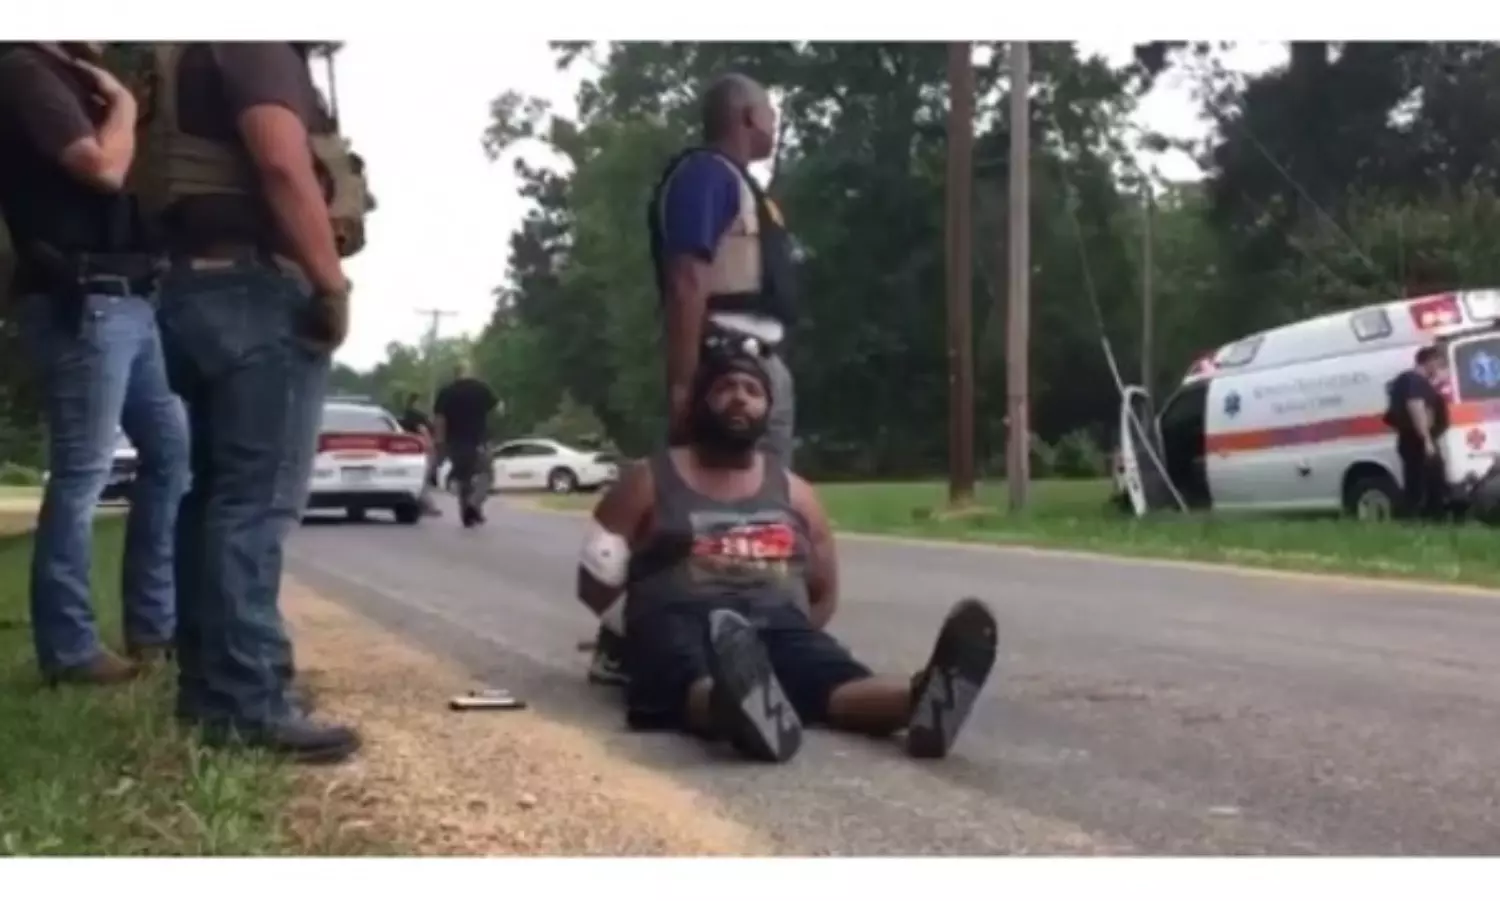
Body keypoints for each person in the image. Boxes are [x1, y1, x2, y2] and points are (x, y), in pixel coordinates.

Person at [574, 338, 999, 763]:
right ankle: (730, 705)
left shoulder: (796, 493)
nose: (740, 397)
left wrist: (792, 631)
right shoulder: (648, 480)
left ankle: (920, 701)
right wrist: (635, 633)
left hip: (776, 622)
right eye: (725, 387)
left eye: (752, 390)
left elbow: (824, 589)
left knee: (828, 673)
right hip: (680, 621)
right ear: (699, 402)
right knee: (681, 669)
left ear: (767, 410)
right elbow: (595, 576)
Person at [140, 42, 371, 763]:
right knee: (256, 503)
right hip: (254, 291)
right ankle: (250, 700)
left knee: (214, 498)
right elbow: (279, 161)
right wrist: (330, 283)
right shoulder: (257, 38)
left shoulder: (195, 48)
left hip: (191, 287)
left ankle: (210, 692)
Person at [586, 73, 802, 688]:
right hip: (722, 360)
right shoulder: (705, 176)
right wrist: (684, 384)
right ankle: (622, 639)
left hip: (761, 361)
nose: (774, 122)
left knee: (759, 511)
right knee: (688, 508)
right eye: (769, 111)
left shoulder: (746, 189)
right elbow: (687, 280)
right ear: (746, 117)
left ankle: (750, 637)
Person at [0, 43, 189, 686]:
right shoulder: (26, 70)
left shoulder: (79, 78)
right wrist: (127, 107)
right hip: (80, 301)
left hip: (130, 298)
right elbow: (102, 168)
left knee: (171, 454)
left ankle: (154, 627)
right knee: (84, 472)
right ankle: (71, 649)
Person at [1386, 345, 1451, 520]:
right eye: (1438, 363)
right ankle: (1425, 517)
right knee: (1426, 481)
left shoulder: (1411, 381)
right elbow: (1416, 407)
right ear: (1429, 361)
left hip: (1413, 438)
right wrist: (1427, 440)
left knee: (1421, 479)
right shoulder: (1414, 381)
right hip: (1417, 439)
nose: (1439, 368)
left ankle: (1423, 517)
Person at [434, 361, 499, 528]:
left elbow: (440, 419)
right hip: (479, 440)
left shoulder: (446, 392)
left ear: (455, 373)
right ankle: (474, 504)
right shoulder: (481, 389)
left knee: (464, 478)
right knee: (486, 474)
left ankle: (467, 515)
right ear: (470, 372)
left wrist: (440, 442)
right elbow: (497, 409)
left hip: (455, 442)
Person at [398, 391, 440, 516]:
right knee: (424, 479)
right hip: (422, 449)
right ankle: (428, 506)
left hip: (409, 450)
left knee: (419, 478)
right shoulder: (418, 417)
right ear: (417, 402)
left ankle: (421, 505)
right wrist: (431, 446)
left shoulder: (406, 416)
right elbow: (423, 430)